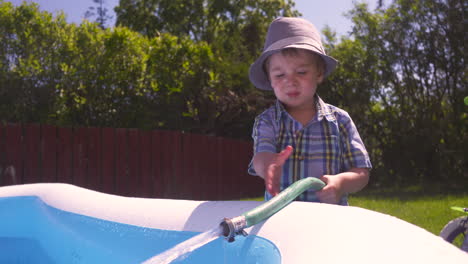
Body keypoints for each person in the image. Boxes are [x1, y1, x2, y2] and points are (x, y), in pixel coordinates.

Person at [247, 17, 372, 205]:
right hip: (280, 221)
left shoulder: (340, 120)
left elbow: (361, 172)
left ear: (319, 73)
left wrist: (341, 183)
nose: (291, 81)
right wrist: (267, 166)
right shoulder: (267, 121)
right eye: (280, 75)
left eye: (301, 72)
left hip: (328, 221)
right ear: (270, 80)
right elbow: (261, 155)